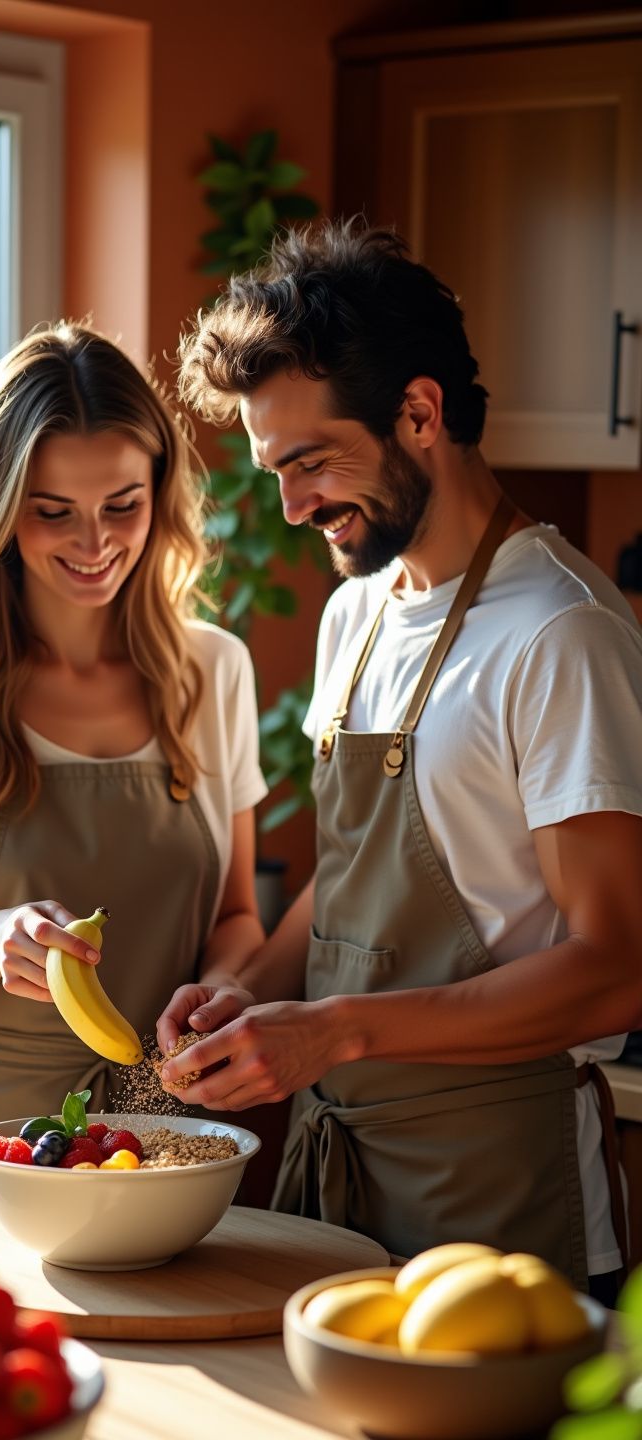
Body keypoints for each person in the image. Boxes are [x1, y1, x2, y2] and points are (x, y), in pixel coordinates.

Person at [156, 220, 642, 1300]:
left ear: (419, 414)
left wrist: (331, 1031)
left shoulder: (558, 634)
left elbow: (618, 963)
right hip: (342, 1187)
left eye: (310, 462)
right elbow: (362, 880)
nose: (290, 508)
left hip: (502, 1202)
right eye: (270, 470)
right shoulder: (357, 614)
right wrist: (245, 994)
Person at [0, 322, 267, 1201]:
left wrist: (221, 995)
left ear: (160, 492)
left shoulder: (212, 670)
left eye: (123, 504)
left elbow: (237, 916)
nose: (95, 541)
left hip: (162, 1136)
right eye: (52, 510)